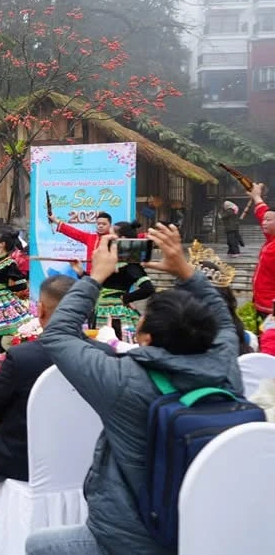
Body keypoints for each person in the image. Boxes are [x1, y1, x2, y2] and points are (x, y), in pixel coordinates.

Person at [25, 223, 242, 555]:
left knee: (37, 546)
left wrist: (93, 278)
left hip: (134, 540)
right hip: (209, 530)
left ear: (148, 339)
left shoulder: (124, 379)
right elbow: (225, 320)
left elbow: (56, 335)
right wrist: (186, 271)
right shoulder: (227, 363)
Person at [0, 274, 79, 509]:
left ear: (40, 310)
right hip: (82, 456)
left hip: (23, 457)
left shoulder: (23, 357)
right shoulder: (103, 354)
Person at [91, 220, 153, 344]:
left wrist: (126, 298)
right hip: (99, 310)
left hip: (115, 314)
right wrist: (80, 271)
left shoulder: (130, 265)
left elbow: (148, 289)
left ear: (122, 240)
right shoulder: (108, 262)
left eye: (111, 235)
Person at [48, 211, 112, 273]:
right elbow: (74, 232)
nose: (100, 226)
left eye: (104, 224)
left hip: (108, 276)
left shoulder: (114, 240)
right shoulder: (91, 238)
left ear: (110, 225)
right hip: (91, 276)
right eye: (98, 224)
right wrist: (56, 221)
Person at [247, 182, 275, 324]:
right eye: (263, 219)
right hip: (261, 303)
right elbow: (263, 213)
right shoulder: (271, 238)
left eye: (268, 220)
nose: (263, 222)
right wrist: (256, 196)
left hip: (271, 307)